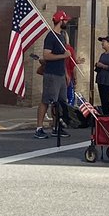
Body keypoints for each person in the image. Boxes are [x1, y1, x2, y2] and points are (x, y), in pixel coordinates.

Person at [36, 9, 72, 139]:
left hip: (61, 74)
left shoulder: (62, 36)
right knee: (47, 100)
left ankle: (57, 126)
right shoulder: (51, 36)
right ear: (60, 21)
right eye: (65, 20)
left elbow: (62, 59)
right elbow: (46, 55)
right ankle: (39, 128)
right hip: (52, 74)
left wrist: (66, 74)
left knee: (61, 101)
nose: (67, 21)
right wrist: (63, 55)